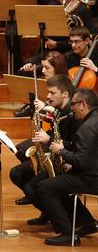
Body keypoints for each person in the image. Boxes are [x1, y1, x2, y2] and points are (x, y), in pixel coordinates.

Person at [37, 88, 98, 246]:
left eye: (74, 104)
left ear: (83, 105)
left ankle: (67, 234)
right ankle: (88, 223)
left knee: (45, 187)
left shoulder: (87, 127)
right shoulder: (94, 120)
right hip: (93, 173)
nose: (71, 108)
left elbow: (82, 161)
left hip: (92, 179)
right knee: (60, 183)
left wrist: (61, 151)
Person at [10, 75, 77, 209]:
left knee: (33, 187)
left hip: (66, 162)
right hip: (54, 156)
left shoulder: (73, 113)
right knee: (16, 173)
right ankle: (48, 210)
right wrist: (46, 117)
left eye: (52, 93)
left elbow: (74, 145)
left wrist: (48, 139)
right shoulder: (60, 110)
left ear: (65, 94)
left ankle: (52, 211)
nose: (47, 96)